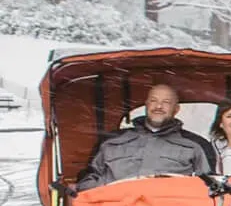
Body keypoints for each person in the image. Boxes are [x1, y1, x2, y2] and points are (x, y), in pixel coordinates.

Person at [74, 82, 215, 192]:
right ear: (146, 104)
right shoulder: (111, 140)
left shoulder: (196, 145)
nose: (158, 106)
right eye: (153, 100)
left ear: (176, 109)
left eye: (166, 102)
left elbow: (209, 186)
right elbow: (87, 180)